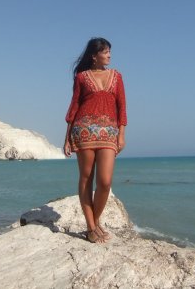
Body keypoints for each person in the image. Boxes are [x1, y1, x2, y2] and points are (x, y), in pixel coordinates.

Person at [63, 37, 127, 243]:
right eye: (105, 52)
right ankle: (91, 227)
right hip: (83, 131)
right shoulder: (81, 77)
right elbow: (74, 107)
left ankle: (95, 220)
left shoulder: (116, 76)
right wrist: (67, 138)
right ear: (94, 55)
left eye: (109, 51)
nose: (109, 55)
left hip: (109, 132)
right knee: (86, 178)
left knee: (105, 182)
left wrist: (121, 134)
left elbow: (122, 107)